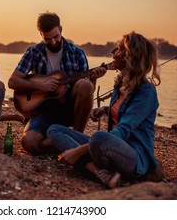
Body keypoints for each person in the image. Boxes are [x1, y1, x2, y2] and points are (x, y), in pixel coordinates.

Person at [47, 31, 162, 189]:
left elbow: (123, 130)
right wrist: (104, 109)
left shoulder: (146, 91)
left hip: (133, 157)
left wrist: (78, 151)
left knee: (99, 137)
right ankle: (101, 173)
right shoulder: (121, 84)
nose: (113, 52)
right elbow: (125, 111)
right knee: (54, 129)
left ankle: (89, 164)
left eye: (119, 49)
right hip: (108, 149)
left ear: (131, 56)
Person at [8, 12, 106, 155]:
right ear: (41, 34)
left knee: (84, 85)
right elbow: (13, 81)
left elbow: (87, 91)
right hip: (42, 112)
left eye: (56, 37)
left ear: (61, 29)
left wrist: (95, 78)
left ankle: (76, 140)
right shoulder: (33, 52)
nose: (53, 42)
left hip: (69, 111)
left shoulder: (76, 53)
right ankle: (66, 144)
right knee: (28, 143)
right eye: (48, 39)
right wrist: (39, 86)